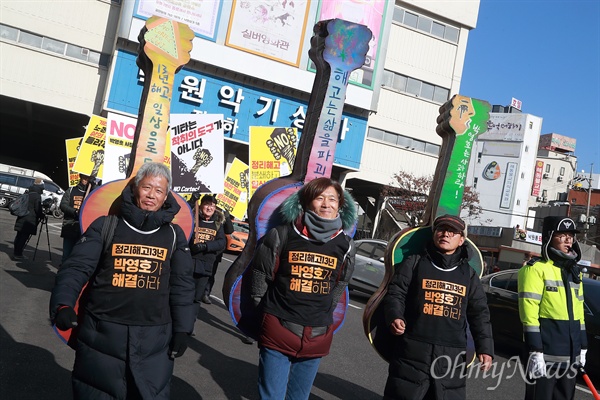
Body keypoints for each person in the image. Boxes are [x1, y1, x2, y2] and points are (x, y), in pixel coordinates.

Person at [49, 162, 196, 399]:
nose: (151, 195)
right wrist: (63, 304)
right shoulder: (105, 225)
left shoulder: (173, 235)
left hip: (155, 341)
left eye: (159, 190)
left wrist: (183, 329)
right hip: (101, 335)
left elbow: (183, 285)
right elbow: (75, 269)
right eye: (147, 187)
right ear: (136, 188)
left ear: (166, 196)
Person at [250, 177, 357, 399]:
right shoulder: (282, 234)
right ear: (307, 203)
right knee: (272, 396)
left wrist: (325, 309)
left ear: (340, 205)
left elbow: (341, 282)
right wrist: (264, 314)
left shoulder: (346, 245)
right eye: (319, 198)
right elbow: (261, 275)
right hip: (279, 327)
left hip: (318, 333)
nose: (326, 204)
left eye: (332, 199)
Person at [382, 214, 494, 400]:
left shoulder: (469, 275)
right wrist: (395, 316)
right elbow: (395, 293)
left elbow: (479, 314)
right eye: (441, 229)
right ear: (434, 234)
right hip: (413, 348)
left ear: (461, 240)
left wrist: (485, 348)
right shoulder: (414, 262)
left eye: (453, 231)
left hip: (452, 354)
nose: (446, 234)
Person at [518, 216, 587, 400]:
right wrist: (535, 350)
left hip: (570, 356)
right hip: (544, 355)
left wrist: (583, 346)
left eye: (571, 236)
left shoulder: (574, 272)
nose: (568, 240)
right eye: (562, 235)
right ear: (549, 237)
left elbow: (580, 312)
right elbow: (529, 312)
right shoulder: (535, 269)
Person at [188, 193, 226, 307]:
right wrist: (191, 201)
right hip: (188, 264)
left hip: (205, 267)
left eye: (213, 206)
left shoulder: (217, 224)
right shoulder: (193, 219)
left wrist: (205, 246)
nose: (209, 208)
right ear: (200, 205)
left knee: (196, 299)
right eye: (206, 205)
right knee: (182, 296)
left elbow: (221, 242)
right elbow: (182, 214)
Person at [60, 173, 95, 263]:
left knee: (78, 257)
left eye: (88, 178)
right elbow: (63, 205)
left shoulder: (93, 193)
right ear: (80, 177)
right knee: (66, 255)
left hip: (84, 229)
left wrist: (93, 186)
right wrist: (74, 212)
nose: (85, 180)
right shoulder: (71, 190)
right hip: (69, 226)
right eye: (84, 177)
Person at [203, 207, 234, 304]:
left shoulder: (221, 217)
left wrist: (227, 217)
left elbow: (229, 230)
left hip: (215, 253)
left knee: (210, 274)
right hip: (201, 249)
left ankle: (206, 293)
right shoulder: (204, 213)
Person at [13, 178, 45, 260]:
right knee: (24, 237)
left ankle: (16, 252)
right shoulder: (37, 196)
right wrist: (42, 215)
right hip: (30, 219)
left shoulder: (28, 191)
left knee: (19, 235)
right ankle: (18, 254)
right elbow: (37, 209)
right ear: (40, 186)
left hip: (22, 215)